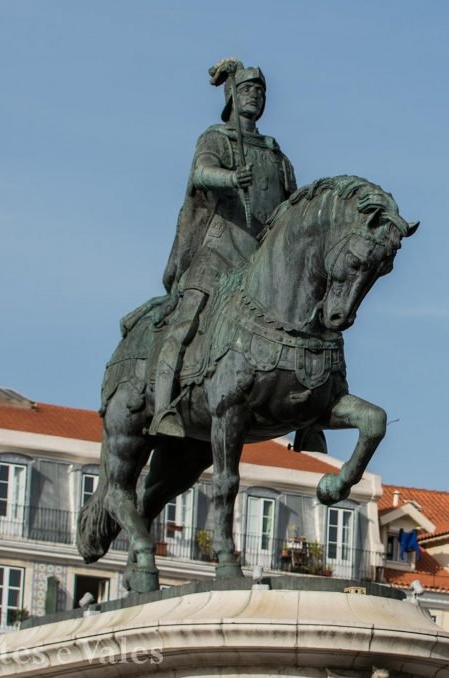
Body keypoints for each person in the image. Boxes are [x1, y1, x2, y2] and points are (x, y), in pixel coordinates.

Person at [151, 59, 297, 437]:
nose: (256, 97)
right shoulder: (216, 138)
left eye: (261, 92)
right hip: (219, 251)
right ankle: (164, 408)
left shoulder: (275, 154)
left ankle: (308, 415)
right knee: (186, 320)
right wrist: (230, 177)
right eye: (248, 89)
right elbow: (200, 173)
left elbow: (292, 204)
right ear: (232, 95)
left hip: (260, 260)